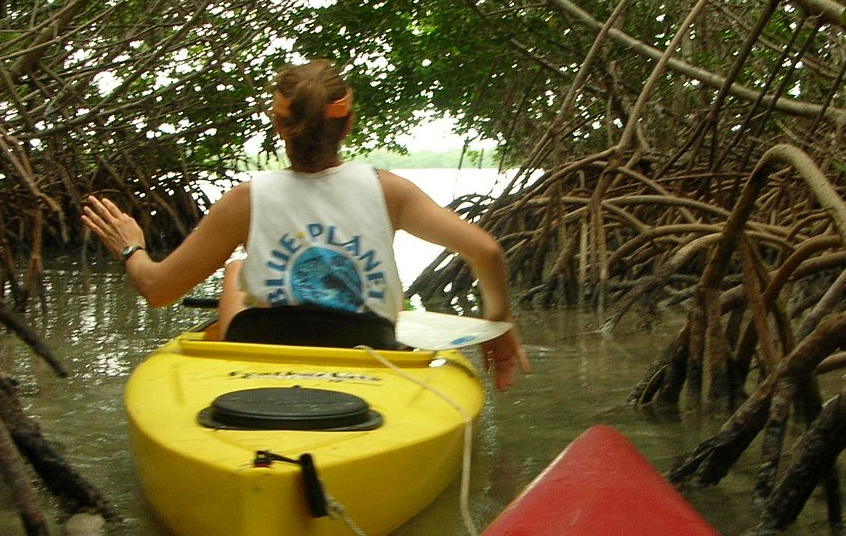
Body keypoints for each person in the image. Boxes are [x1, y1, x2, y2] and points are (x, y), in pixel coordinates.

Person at [81, 59, 530, 390]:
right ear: (347, 126)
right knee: (240, 269)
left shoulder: (246, 199)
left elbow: (158, 289)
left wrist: (131, 247)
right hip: (366, 344)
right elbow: (486, 252)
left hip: (262, 348)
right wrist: (499, 324)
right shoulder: (390, 191)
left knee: (237, 270)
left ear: (279, 127)